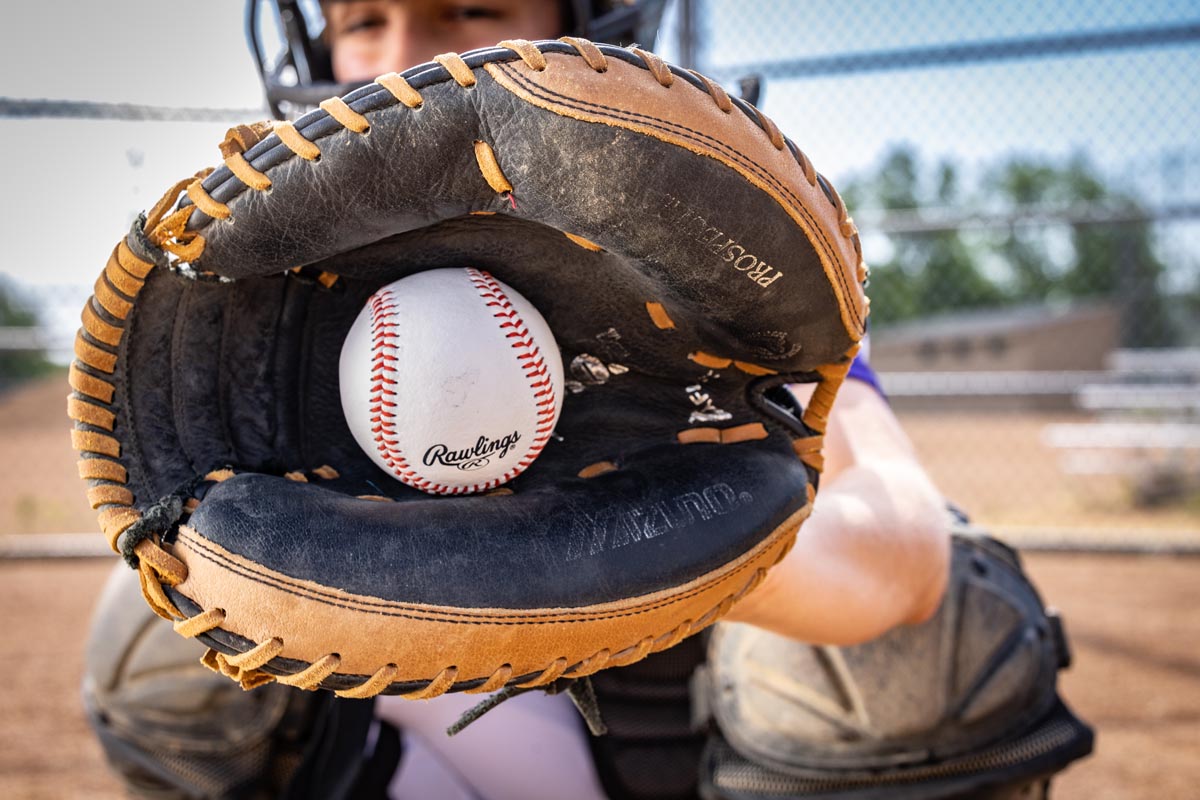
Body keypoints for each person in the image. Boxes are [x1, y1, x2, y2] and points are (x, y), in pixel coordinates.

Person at [83, 2, 1090, 798]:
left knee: (932, 651)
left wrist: (699, 553)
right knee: (159, 614)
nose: (403, 59)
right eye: (363, 21)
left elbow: (901, 547)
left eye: (471, 9)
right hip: (410, 745)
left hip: (673, 736)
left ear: (588, 24)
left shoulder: (715, 277)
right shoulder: (272, 295)